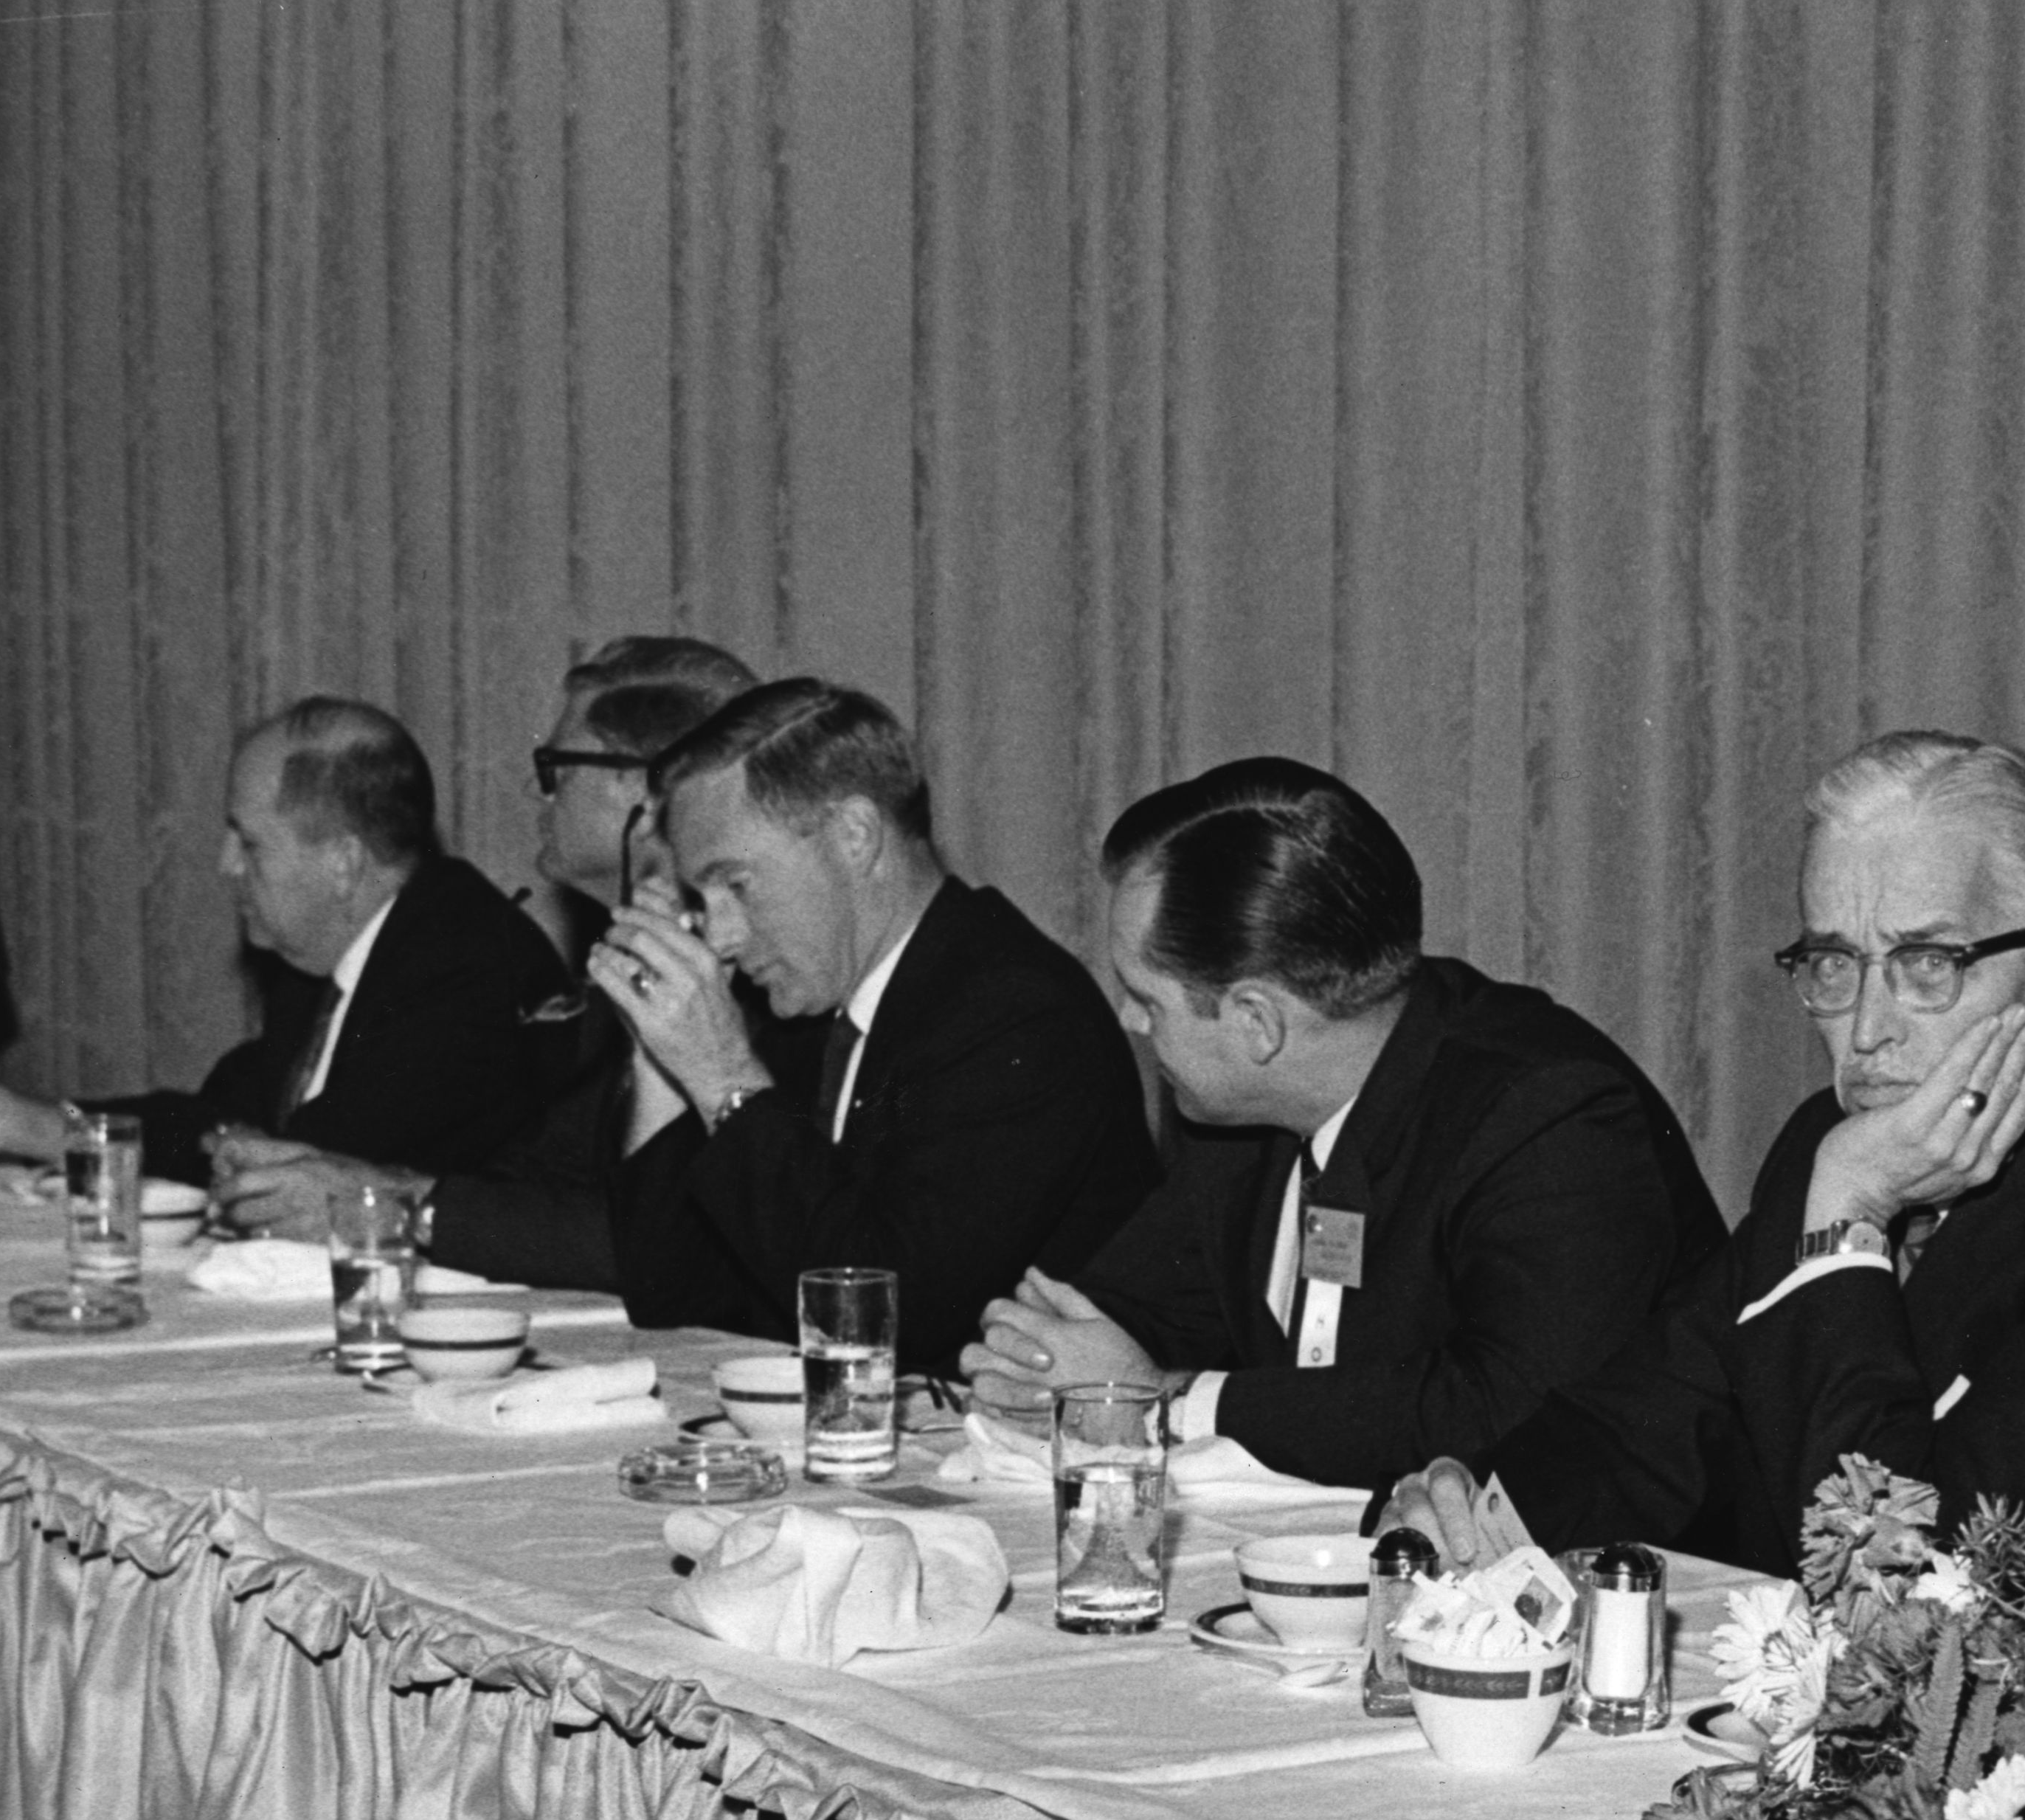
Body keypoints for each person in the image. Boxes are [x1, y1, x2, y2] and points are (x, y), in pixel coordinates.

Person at [1381, 730, 2025, 1575]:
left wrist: (1846, 1221)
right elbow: (1658, 1415)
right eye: (1833, 964)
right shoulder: (1831, 1148)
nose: (1865, 1031)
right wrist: (1474, 1513)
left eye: (1928, 964)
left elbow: (1904, 1575)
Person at [961, 756, 1726, 1490]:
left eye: (1146, 999)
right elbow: (1134, 1311)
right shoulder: (1235, 1112)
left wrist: (1175, 1402)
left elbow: (1506, 1411)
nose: (1130, 1022)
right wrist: (1037, 1358)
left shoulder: (1552, 1117)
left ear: (1257, 1023)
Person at [210, 636, 805, 1289]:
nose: (538, 793)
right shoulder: (621, 966)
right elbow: (535, 1177)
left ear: (644, 788)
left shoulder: (761, 983)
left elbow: (648, 1239)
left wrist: (402, 1203)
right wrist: (391, 1192)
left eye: (557, 768)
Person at [600, 677, 1155, 1370]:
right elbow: (670, 1298)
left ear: (855, 836)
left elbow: (888, 1315)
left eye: (737, 884)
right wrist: (660, 1056)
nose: (721, 936)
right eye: (701, 898)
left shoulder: (1017, 1015)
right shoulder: (811, 1009)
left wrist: (724, 1078)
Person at [0, 697, 570, 1188]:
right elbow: (218, 1118)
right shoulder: (326, 957)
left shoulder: (465, 971)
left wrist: (53, 1132)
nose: (226, 864)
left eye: (248, 843)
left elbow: (296, 1166)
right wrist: (24, 1124)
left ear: (343, 864)